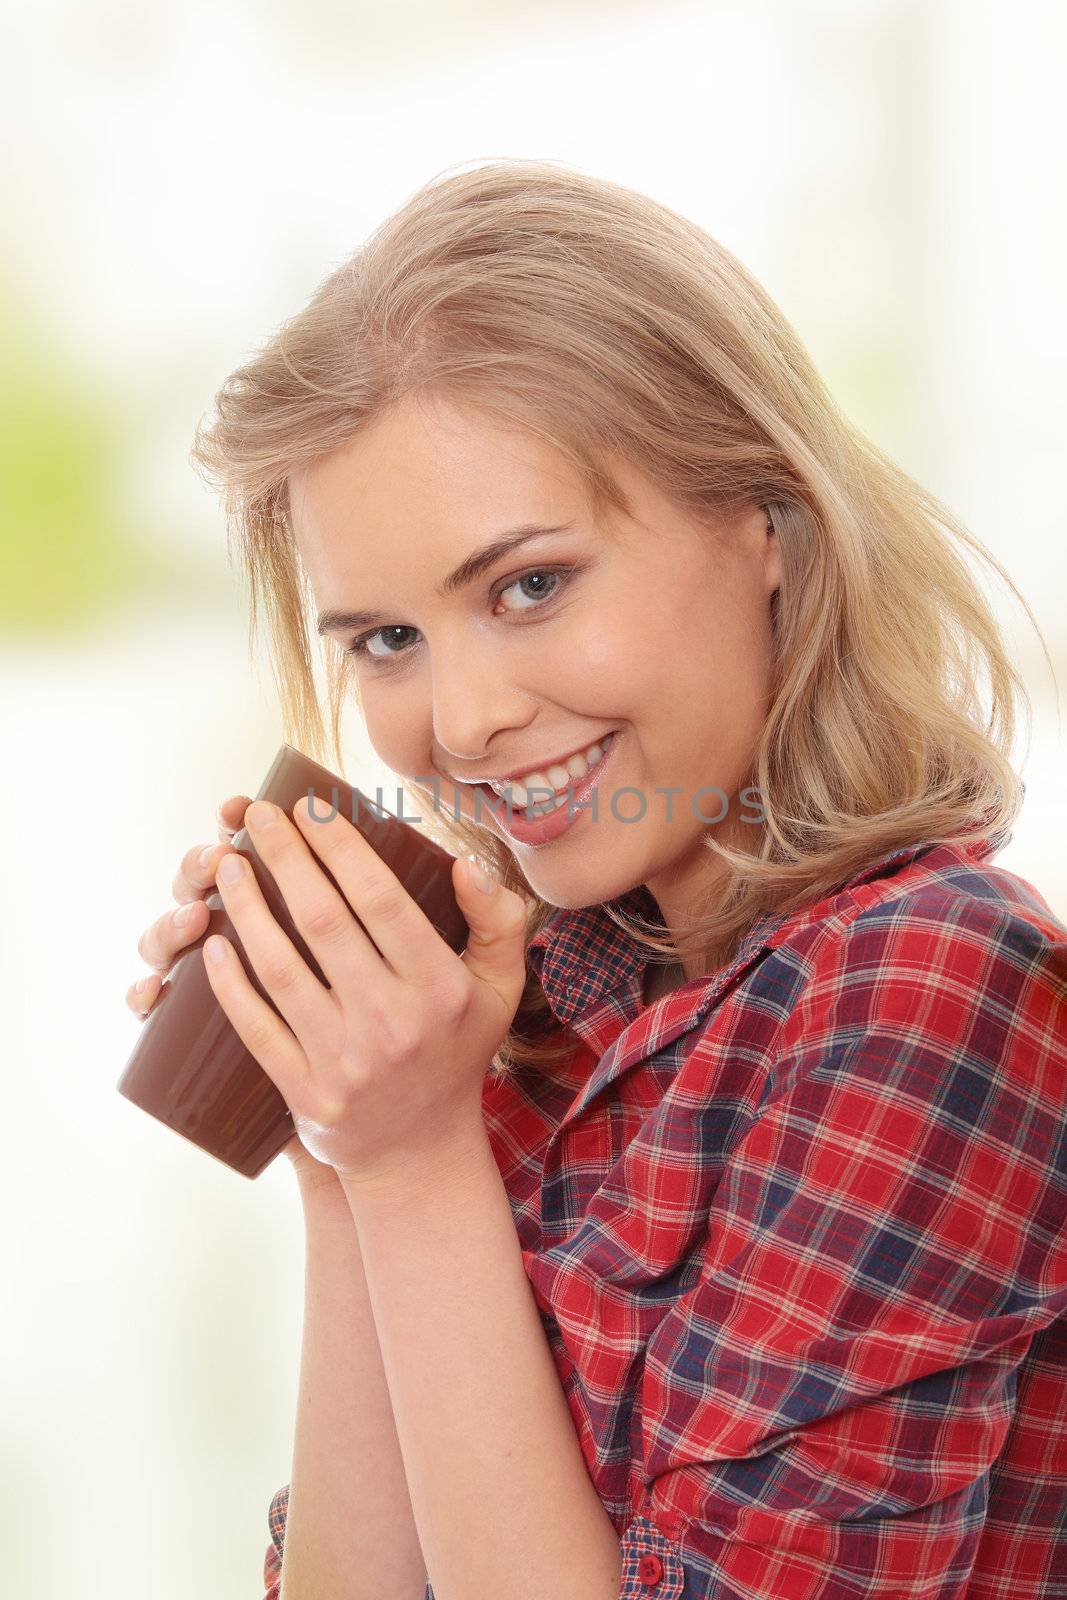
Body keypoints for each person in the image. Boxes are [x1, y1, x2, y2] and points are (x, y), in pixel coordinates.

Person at [128, 161, 1067, 1599]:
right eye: (386, 640)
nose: (461, 723)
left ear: (765, 524)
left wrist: (416, 1163)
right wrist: (343, 1142)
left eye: (527, 587)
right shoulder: (533, 1014)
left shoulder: (928, 986)